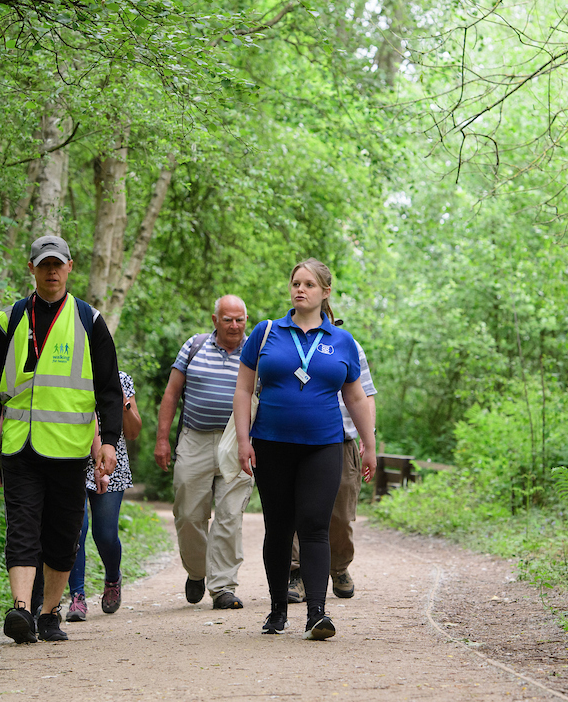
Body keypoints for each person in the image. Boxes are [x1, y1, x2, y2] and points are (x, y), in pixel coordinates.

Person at [0, 235, 123, 644]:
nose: (52, 271)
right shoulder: (9, 321)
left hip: (70, 449)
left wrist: (108, 441)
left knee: (62, 535)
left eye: (58, 264)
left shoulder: (89, 320)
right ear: (32, 268)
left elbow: (109, 389)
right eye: (44, 265)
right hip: (19, 448)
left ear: (70, 267)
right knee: (21, 527)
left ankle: (49, 613)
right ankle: (21, 611)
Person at [233, 259, 375, 641]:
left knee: (314, 526)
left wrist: (370, 445)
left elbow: (357, 396)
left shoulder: (342, 341)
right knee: (278, 528)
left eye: (309, 284)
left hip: (323, 446)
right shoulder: (266, 333)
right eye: (296, 283)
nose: (300, 289)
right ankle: (278, 609)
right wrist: (244, 441)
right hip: (271, 445)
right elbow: (244, 389)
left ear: (325, 292)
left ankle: (317, 614)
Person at [154, 295, 255, 610]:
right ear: (215, 320)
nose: (235, 326)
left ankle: (223, 586)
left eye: (240, 319)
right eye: (228, 319)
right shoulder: (194, 346)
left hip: (237, 441)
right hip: (194, 439)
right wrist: (162, 439)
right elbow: (172, 393)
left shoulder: (256, 352)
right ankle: (197, 572)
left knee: (230, 514)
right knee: (188, 514)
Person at [288, 338, 376, 604]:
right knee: (295, 509)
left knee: (341, 513)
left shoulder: (348, 344)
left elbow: (366, 393)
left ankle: (338, 567)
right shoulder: (287, 341)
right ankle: (296, 572)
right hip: (295, 437)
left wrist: (367, 434)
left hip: (343, 438)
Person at [65, 371, 141, 620]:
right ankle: (77, 597)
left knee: (105, 534)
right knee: (76, 530)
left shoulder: (120, 378)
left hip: (110, 463)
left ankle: (112, 578)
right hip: (71, 460)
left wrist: (123, 400)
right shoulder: (67, 373)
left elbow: (132, 432)